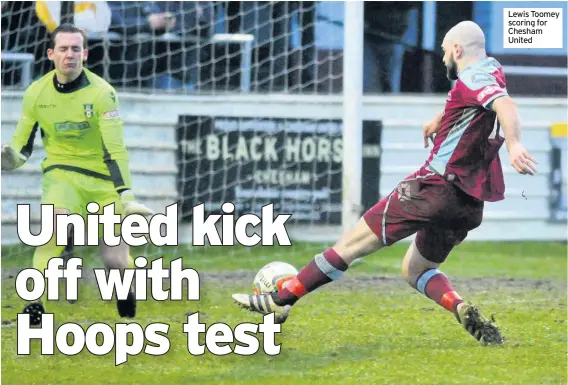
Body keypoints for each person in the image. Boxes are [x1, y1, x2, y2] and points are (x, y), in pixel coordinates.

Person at [232, 20, 538, 345]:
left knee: (350, 245)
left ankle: (281, 299)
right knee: (415, 270)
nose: (444, 58)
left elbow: (504, 105)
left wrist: (514, 143)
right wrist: (442, 117)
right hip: (468, 205)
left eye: (445, 52)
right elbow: (483, 102)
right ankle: (460, 306)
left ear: (457, 50)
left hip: (432, 186)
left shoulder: (474, 77)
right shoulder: (491, 69)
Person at [1, 24, 154, 325]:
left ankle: (125, 294)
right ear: (50, 54)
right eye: (63, 49)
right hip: (62, 176)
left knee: (115, 260)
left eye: (75, 49)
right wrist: (8, 159)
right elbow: (22, 148)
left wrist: (127, 196)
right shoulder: (35, 93)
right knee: (51, 234)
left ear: (85, 54)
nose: (69, 55)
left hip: (102, 181)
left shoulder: (102, 93)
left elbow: (115, 150)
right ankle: (35, 306)